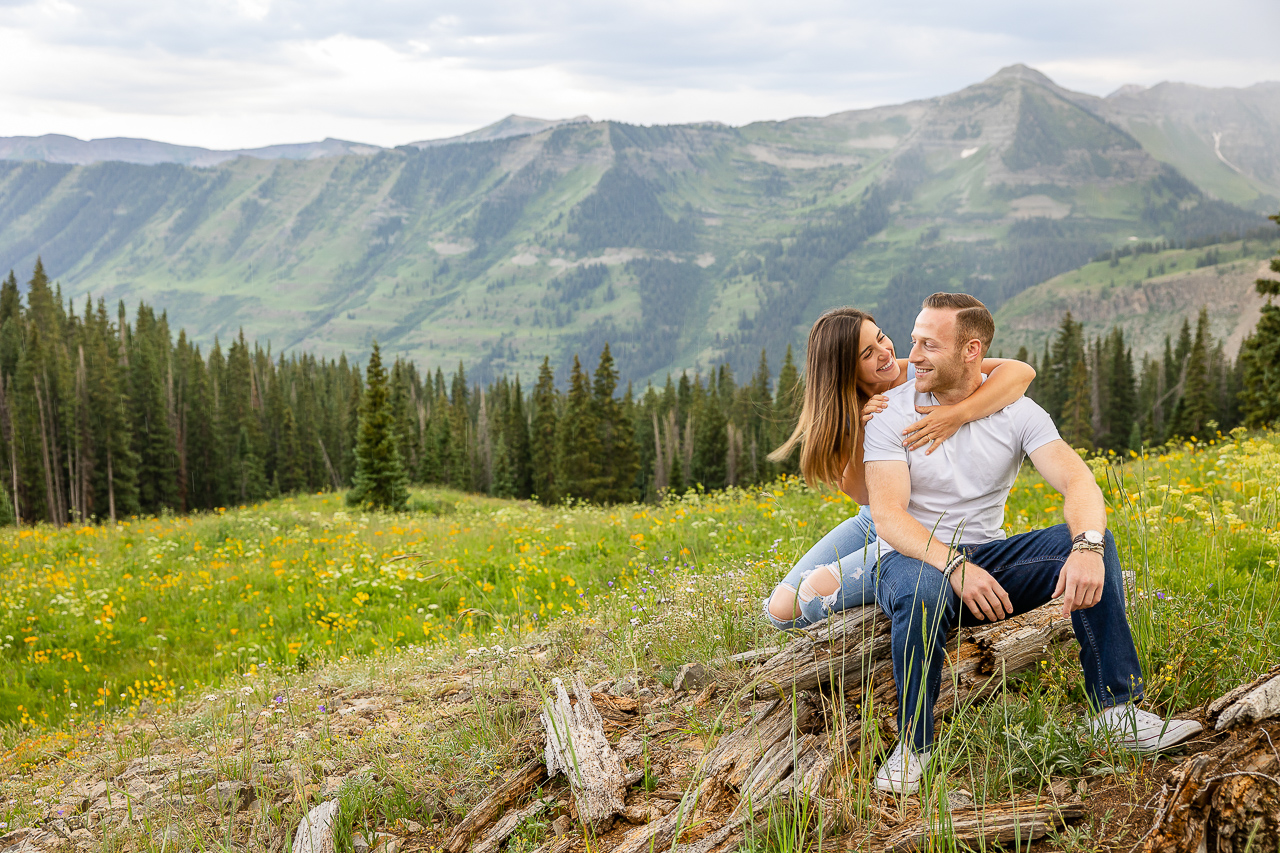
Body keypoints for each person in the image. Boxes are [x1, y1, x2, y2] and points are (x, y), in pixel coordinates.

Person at [862, 292, 1201, 794]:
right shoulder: (891, 415)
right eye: (913, 340)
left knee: (1090, 541)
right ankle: (915, 746)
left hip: (989, 560)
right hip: (915, 558)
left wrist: (1086, 547)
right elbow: (888, 515)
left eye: (929, 344)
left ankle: (1116, 713)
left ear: (971, 350)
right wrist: (952, 564)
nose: (914, 355)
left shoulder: (1017, 412)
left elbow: (1078, 481)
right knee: (921, 592)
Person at [762, 307, 1036, 631]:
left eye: (881, 338)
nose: (885, 353)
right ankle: (892, 587)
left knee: (813, 593)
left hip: (928, 523)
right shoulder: (839, 417)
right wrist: (865, 426)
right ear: (844, 371)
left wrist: (957, 414)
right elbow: (863, 494)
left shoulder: (913, 372)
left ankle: (906, 590)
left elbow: (1020, 373)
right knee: (780, 611)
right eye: (868, 353)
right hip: (876, 518)